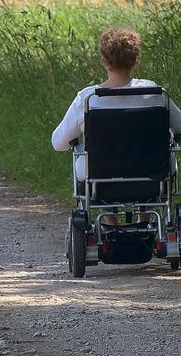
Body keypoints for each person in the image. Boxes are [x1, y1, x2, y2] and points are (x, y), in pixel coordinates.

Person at [51, 27, 181, 224]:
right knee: (159, 155)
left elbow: (58, 143)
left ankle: (109, 222)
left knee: (88, 160)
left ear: (104, 58)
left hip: (99, 177)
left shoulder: (88, 99)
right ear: (136, 57)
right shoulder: (156, 94)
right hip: (152, 176)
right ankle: (144, 217)